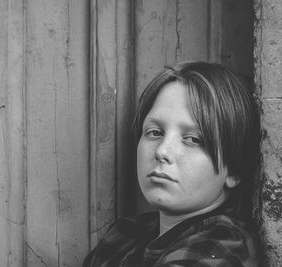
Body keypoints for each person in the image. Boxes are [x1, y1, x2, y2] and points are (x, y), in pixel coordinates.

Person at [84, 62, 261, 266]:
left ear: (234, 169)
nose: (162, 151)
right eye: (155, 132)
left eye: (193, 139)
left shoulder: (222, 247)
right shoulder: (125, 235)